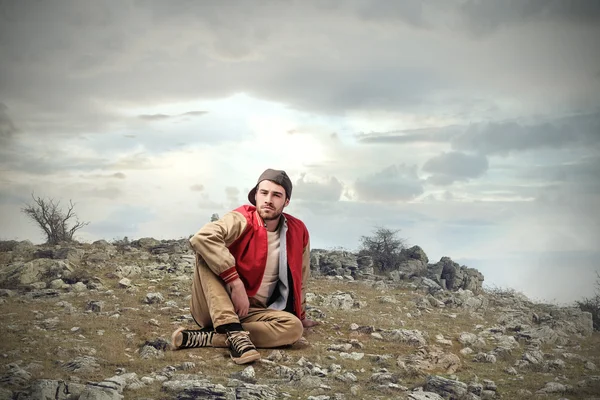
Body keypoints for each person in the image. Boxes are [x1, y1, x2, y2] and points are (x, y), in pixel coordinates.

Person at [171, 168, 318, 364]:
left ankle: (213, 337)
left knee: (294, 328)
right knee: (207, 254)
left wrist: (300, 314)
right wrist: (235, 282)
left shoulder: (298, 230)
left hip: (254, 311)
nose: (268, 199)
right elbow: (202, 237)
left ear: (286, 201)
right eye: (264, 193)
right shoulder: (241, 218)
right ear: (255, 195)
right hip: (215, 304)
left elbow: (301, 276)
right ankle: (231, 329)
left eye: (276, 195)